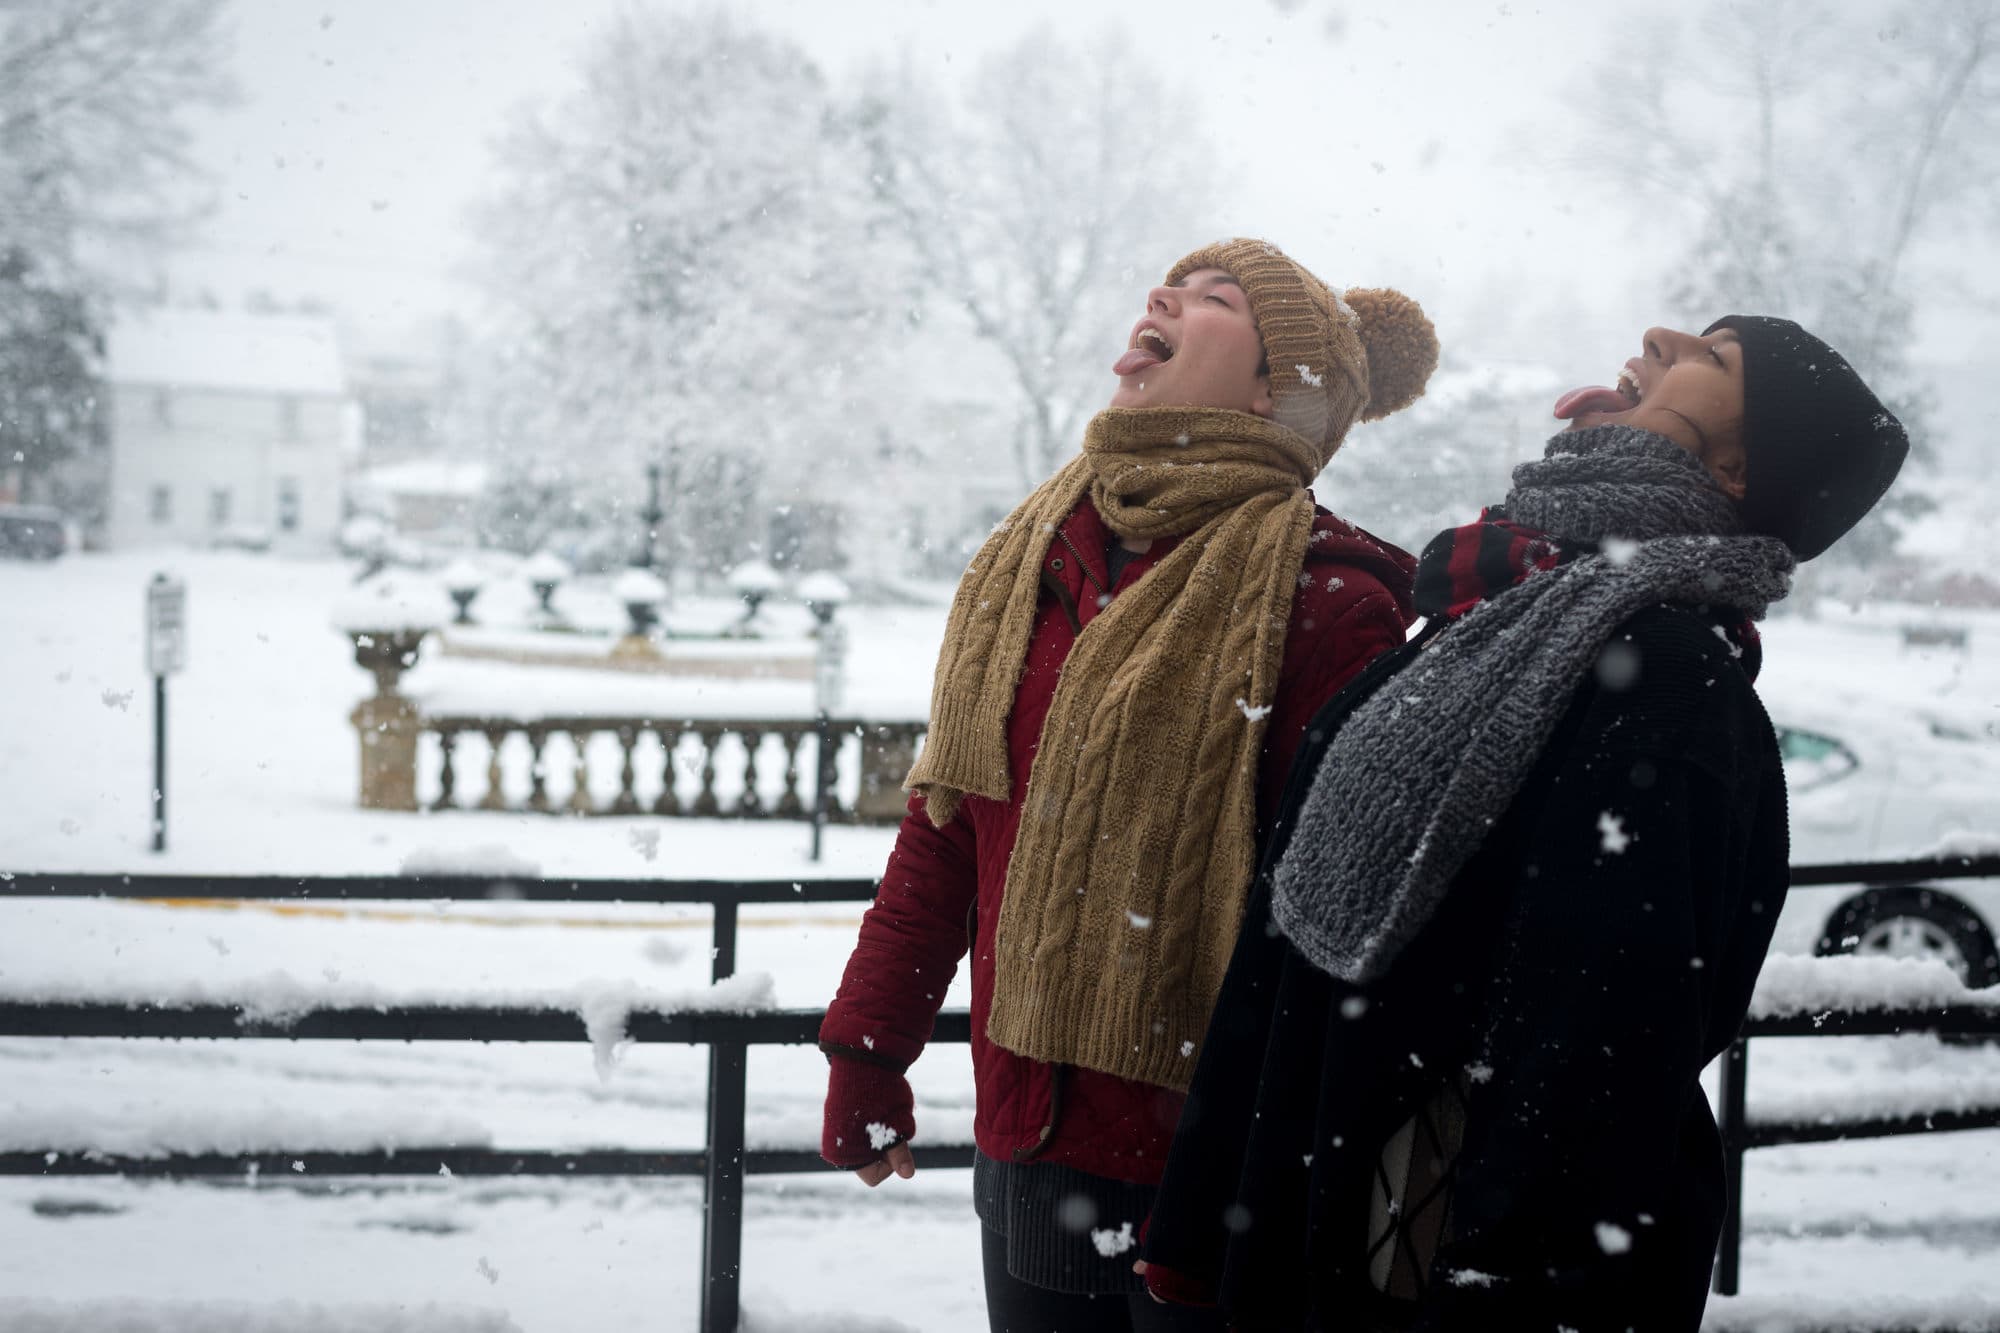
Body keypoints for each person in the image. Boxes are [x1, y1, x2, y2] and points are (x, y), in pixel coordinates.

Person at [1136, 317, 1910, 1332]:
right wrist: (1202, 1216)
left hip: (1415, 1272)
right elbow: (1288, 934)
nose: (1657, 334)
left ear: (1732, 469)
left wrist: (1494, 1290)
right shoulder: (1501, 613)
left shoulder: (1667, 679)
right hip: (1319, 1216)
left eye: (1712, 359)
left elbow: (1594, 1047)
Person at [817, 238, 1441, 1331]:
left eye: (1214, 300)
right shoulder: (1038, 558)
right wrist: (867, 1050)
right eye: (1169, 283)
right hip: (1028, 1135)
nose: (1162, 295)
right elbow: (949, 830)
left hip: (1213, 1169)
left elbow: (1329, 927)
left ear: (1269, 392)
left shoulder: (1330, 601)